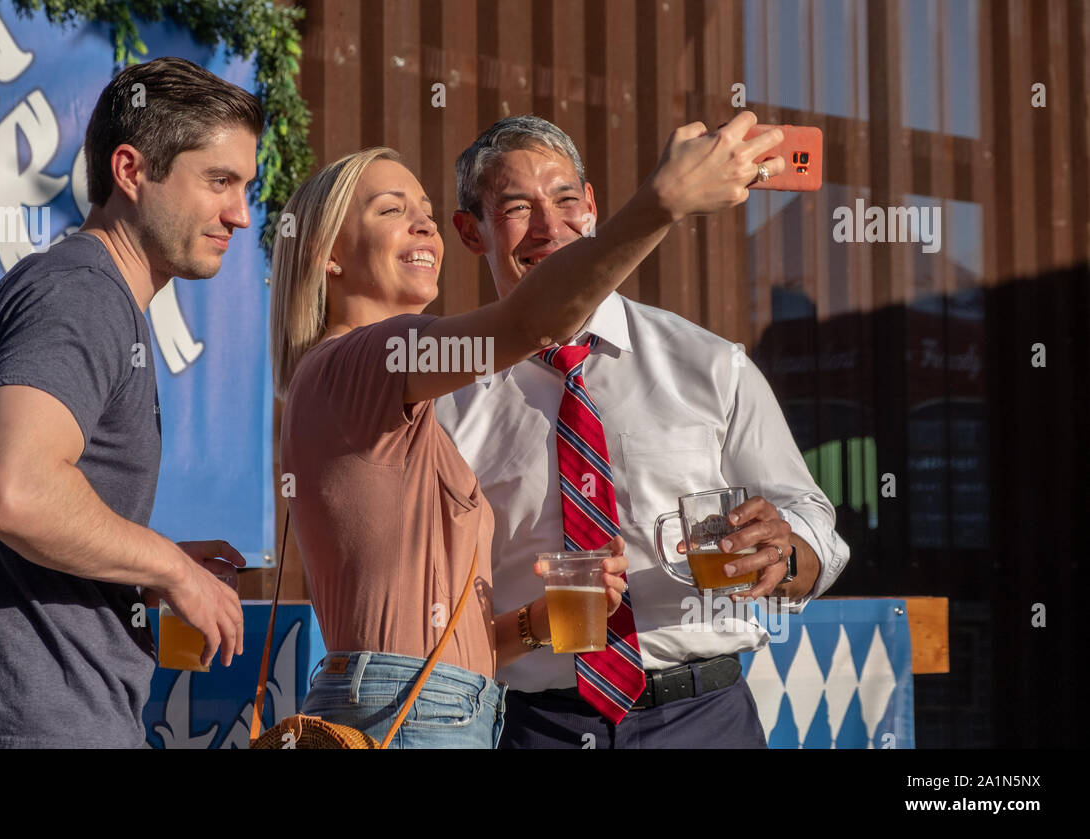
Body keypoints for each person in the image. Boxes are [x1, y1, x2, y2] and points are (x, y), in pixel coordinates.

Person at [270, 113, 786, 748]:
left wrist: (541, 624)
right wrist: (663, 203)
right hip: (413, 713)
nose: (423, 223)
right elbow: (534, 323)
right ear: (327, 257)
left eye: (426, 209)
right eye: (390, 209)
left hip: (457, 701)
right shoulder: (374, 358)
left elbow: (445, 633)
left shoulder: (389, 387)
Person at [435, 113, 853, 748]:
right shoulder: (447, 397)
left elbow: (811, 517)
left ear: (594, 207)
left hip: (704, 719)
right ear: (472, 232)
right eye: (517, 206)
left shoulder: (711, 365)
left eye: (566, 198)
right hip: (534, 725)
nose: (551, 226)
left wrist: (786, 549)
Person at [0, 57, 259, 749]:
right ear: (130, 170)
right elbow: (12, 491)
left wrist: (148, 563)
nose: (239, 212)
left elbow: (25, 509)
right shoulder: (83, 294)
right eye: (219, 181)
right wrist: (171, 568)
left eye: (245, 187)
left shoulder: (85, 291)